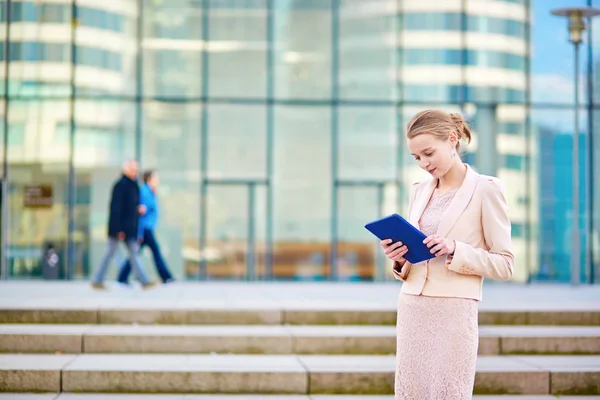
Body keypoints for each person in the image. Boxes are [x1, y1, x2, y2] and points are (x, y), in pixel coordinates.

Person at [381, 109, 514, 399]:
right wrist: (399, 257)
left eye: (428, 153)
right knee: (411, 392)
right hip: (413, 307)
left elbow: (505, 264)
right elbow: (416, 258)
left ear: (452, 139)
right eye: (416, 158)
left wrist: (456, 249)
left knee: (449, 392)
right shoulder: (419, 191)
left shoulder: (486, 189)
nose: (423, 163)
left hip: (454, 309)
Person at [91, 160, 156, 290]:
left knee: (133, 254)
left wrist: (139, 209)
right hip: (120, 229)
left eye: (136, 169)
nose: (134, 171)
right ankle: (97, 280)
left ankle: (144, 281)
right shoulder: (120, 185)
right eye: (132, 169)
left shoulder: (134, 186)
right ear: (125, 170)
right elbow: (116, 209)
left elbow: (131, 208)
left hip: (130, 228)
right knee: (111, 252)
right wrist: (119, 229)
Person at [117, 169, 174, 285]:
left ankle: (122, 277)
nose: (157, 180)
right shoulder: (144, 191)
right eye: (155, 177)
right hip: (143, 229)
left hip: (148, 228)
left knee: (135, 253)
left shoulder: (151, 191)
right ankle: (166, 277)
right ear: (149, 179)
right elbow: (137, 208)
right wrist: (141, 211)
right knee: (154, 252)